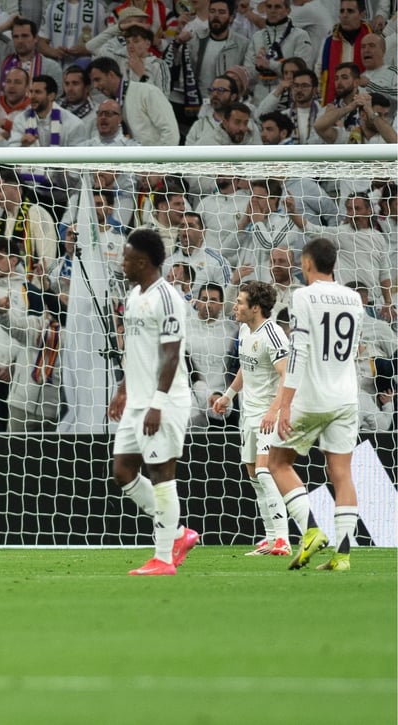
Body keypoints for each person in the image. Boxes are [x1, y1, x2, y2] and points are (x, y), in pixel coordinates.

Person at [267, 237, 365, 572]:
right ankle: (343, 556)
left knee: (276, 462)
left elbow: (299, 350)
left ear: (308, 263)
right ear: (333, 264)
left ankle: (310, 530)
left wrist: (285, 404)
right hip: (346, 395)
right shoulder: (354, 299)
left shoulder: (302, 296)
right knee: (341, 472)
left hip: (310, 395)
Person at [107, 227, 199, 576]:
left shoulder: (168, 298)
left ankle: (163, 559)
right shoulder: (133, 296)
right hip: (137, 400)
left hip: (165, 401)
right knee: (123, 471)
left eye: (127, 258)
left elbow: (172, 354)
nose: (123, 263)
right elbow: (137, 351)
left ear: (143, 262)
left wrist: (158, 403)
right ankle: (178, 534)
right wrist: (123, 388)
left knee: (162, 475)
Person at [211, 281, 291, 556]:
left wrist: (273, 411)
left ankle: (283, 538)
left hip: (271, 413)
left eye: (241, 302)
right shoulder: (245, 330)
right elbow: (246, 368)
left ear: (255, 308)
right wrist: (228, 395)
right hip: (249, 413)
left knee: (266, 472)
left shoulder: (275, 335)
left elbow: (287, 375)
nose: (235, 305)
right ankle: (270, 539)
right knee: (254, 475)